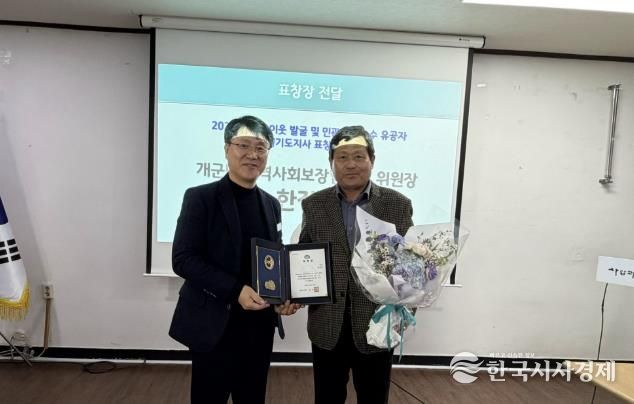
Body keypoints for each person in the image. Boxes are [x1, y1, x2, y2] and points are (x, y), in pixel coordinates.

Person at [169, 115, 300, 404]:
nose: (252, 154)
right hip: (214, 323)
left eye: (261, 148)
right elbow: (183, 259)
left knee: (252, 398)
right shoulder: (201, 198)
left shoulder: (271, 204)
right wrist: (236, 290)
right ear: (227, 149)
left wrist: (283, 296)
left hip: (258, 327)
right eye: (243, 145)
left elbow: (272, 259)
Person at [299, 125, 414, 404]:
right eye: (342, 157)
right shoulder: (314, 205)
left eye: (359, 156)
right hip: (327, 324)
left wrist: (406, 308)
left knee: (374, 398)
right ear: (332, 162)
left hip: (377, 324)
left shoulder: (397, 205)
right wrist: (291, 294)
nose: (351, 164)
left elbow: (412, 267)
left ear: (372, 160)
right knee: (327, 398)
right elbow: (303, 258)